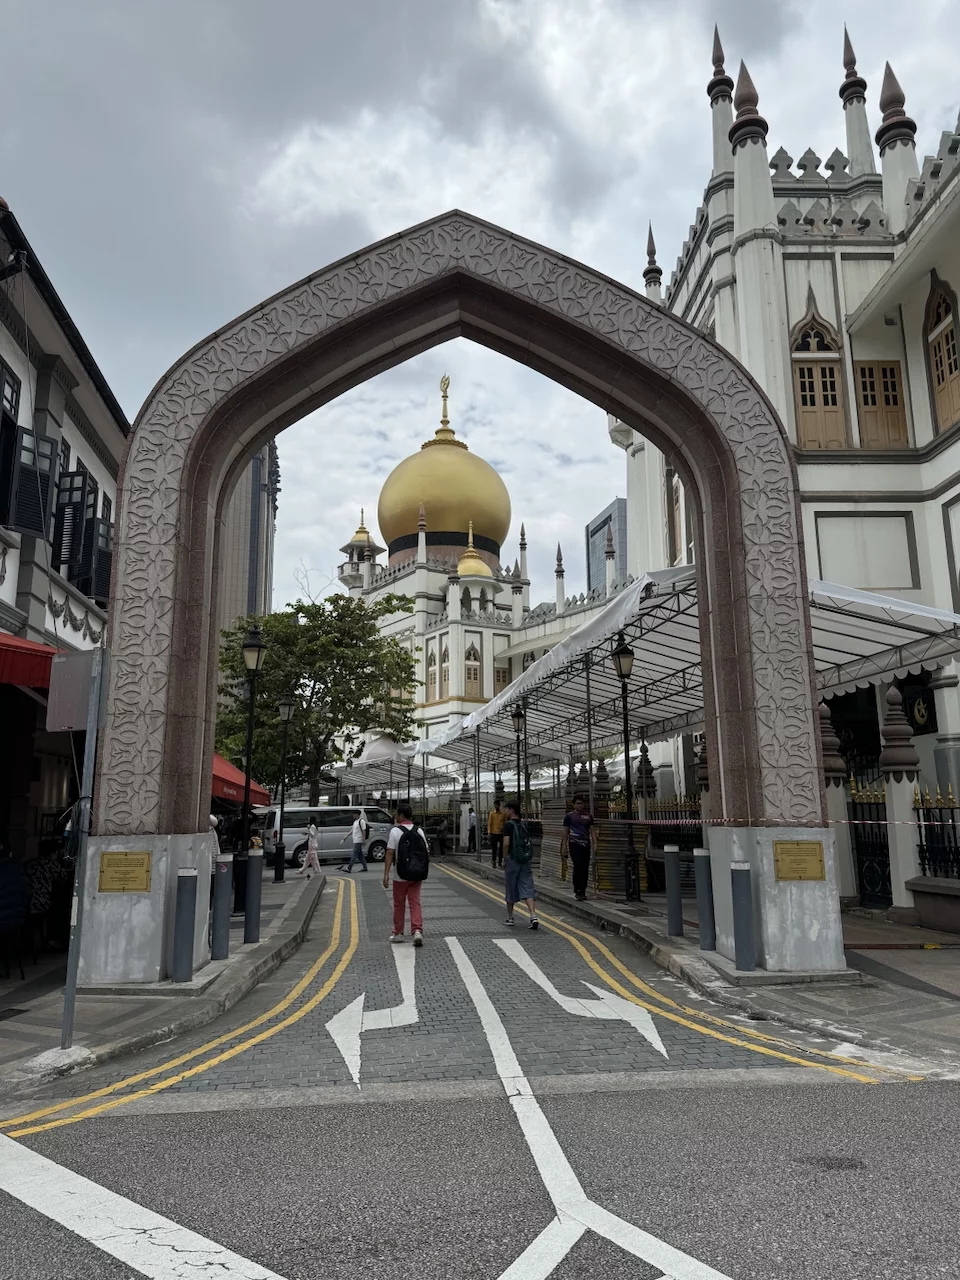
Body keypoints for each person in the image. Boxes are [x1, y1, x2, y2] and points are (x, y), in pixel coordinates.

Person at [383, 802, 429, 946]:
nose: (395, 816)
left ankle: (398, 933)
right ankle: (417, 931)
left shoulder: (395, 831)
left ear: (402, 815)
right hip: (416, 874)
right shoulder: (419, 831)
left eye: (397, 814)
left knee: (399, 903)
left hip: (400, 875)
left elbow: (389, 852)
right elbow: (426, 852)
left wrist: (386, 874)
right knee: (415, 902)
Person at [502, 799, 538, 930]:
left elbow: (506, 843)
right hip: (525, 860)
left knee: (511, 887)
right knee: (528, 887)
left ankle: (510, 917)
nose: (505, 812)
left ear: (511, 810)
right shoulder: (524, 824)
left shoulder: (508, 825)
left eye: (506, 809)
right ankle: (533, 915)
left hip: (513, 859)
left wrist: (505, 858)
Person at [562, 795, 596, 901]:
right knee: (578, 866)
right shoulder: (569, 816)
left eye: (581, 803)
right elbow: (565, 832)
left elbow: (592, 830)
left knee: (585, 868)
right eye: (578, 804)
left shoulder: (588, 816)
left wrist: (595, 843)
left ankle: (583, 890)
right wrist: (564, 846)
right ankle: (577, 889)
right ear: (574, 805)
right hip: (574, 844)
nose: (580, 805)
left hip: (586, 845)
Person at [487, 799, 506, 868]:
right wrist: (489, 832)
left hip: (501, 833)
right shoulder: (492, 814)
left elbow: (505, 823)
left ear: (499, 805)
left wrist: (504, 830)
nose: (496, 806)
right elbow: (489, 823)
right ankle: (494, 861)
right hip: (493, 833)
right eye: (495, 805)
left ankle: (500, 862)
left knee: (501, 849)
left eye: (497, 805)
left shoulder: (503, 814)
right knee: (494, 848)